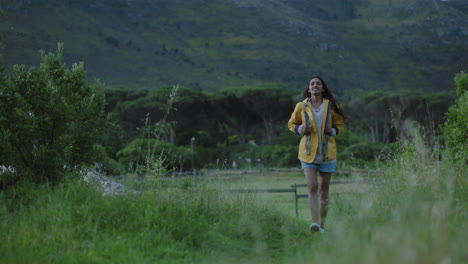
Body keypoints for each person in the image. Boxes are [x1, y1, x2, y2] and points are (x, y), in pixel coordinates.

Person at [288, 76, 345, 233]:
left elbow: (340, 124)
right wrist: (300, 129)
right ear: (308, 88)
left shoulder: (331, 106)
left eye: (318, 84)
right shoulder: (301, 106)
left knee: (324, 189)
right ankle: (314, 223)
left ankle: (322, 226)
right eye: (312, 84)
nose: (315, 86)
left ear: (323, 88)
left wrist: (332, 131)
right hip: (307, 154)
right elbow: (291, 123)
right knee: (312, 187)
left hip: (327, 154)